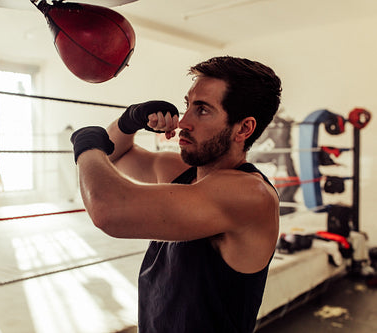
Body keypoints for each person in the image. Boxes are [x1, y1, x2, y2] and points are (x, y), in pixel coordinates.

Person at [70, 56, 282, 332]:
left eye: (203, 110)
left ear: (243, 128)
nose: (183, 122)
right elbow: (114, 156)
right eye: (188, 106)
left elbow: (108, 209)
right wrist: (129, 120)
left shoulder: (248, 194)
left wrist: (86, 144)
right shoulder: (180, 171)